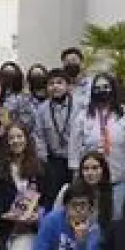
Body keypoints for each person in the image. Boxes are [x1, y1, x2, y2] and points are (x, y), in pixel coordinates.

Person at [68, 72, 125, 219]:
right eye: (98, 88)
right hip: (91, 179)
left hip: (119, 176)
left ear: (113, 89)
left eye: (106, 87)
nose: (102, 91)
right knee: (92, 217)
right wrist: (76, 172)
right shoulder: (83, 116)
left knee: (117, 217)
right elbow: (74, 147)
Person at [34, 68, 78, 200]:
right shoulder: (42, 109)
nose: (55, 87)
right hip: (53, 162)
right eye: (51, 83)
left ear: (68, 86)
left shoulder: (80, 106)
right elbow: (39, 135)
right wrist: (44, 160)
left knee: (74, 196)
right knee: (53, 198)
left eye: (59, 82)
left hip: (76, 161)